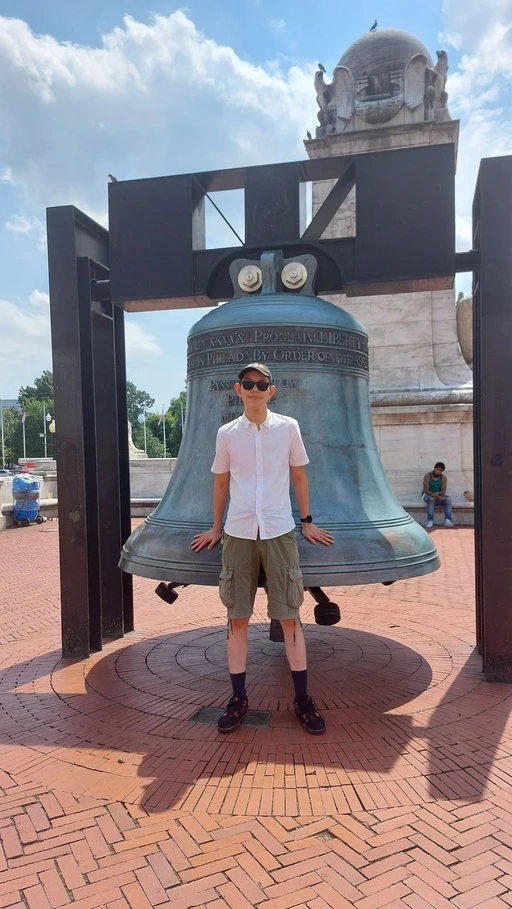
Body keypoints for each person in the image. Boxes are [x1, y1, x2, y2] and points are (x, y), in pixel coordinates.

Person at [191, 363, 334, 735]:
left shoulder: (288, 428)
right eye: (249, 384)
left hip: (279, 529)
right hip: (238, 531)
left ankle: (302, 700)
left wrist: (307, 520)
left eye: (262, 384)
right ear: (238, 389)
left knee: (289, 615)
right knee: (237, 617)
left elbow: (299, 474)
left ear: (272, 391)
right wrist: (215, 527)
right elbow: (221, 483)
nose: (255, 389)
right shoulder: (227, 434)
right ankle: (238, 698)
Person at [422, 461, 454, 528]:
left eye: (440, 470)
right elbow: (426, 490)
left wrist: (438, 494)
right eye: (437, 469)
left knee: (448, 499)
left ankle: (448, 520)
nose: (438, 471)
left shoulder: (443, 478)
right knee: (431, 500)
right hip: (427, 495)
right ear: (434, 468)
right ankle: (430, 521)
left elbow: (443, 491)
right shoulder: (427, 476)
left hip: (438, 495)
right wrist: (437, 496)